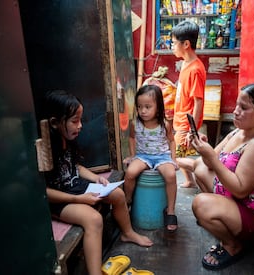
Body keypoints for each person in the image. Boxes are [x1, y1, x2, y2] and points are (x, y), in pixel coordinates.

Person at [41, 90, 153, 275]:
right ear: (54, 123)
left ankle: (127, 233)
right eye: (75, 121)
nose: (80, 126)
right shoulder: (47, 150)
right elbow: (45, 192)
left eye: (80, 120)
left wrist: (96, 178)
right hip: (61, 200)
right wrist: (79, 199)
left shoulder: (67, 139)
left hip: (76, 187)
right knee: (93, 219)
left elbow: (75, 167)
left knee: (117, 194)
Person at [188, 83, 254, 270]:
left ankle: (233, 245)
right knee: (198, 167)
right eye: (237, 105)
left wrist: (212, 158)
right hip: (237, 203)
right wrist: (203, 149)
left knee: (201, 204)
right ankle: (222, 224)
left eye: (244, 108)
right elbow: (208, 163)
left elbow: (240, 190)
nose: (236, 111)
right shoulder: (237, 132)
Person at [123, 85, 178, 232]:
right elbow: (131, 138)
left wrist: (174, 159)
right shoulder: (135, 124)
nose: (143, 111)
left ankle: (171, 210)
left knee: (171, 175)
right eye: (140, 107)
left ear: (158, 107)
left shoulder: (165, 125)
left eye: (147, 107)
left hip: (162, 157)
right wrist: (133, 156)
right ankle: (127, 201)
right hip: (143, 156)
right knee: (130, 173)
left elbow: (172, 141)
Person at [170, 20, 207, 188]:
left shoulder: (196, 69)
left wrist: (193, 129)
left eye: (173, 42)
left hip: (186, 122)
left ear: (186, 44)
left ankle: (199, 169)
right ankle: (190, 180)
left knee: (175, 157)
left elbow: (198, 101)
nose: (172, 46)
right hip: (179, 118)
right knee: (180, 151)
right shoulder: (185, 63)